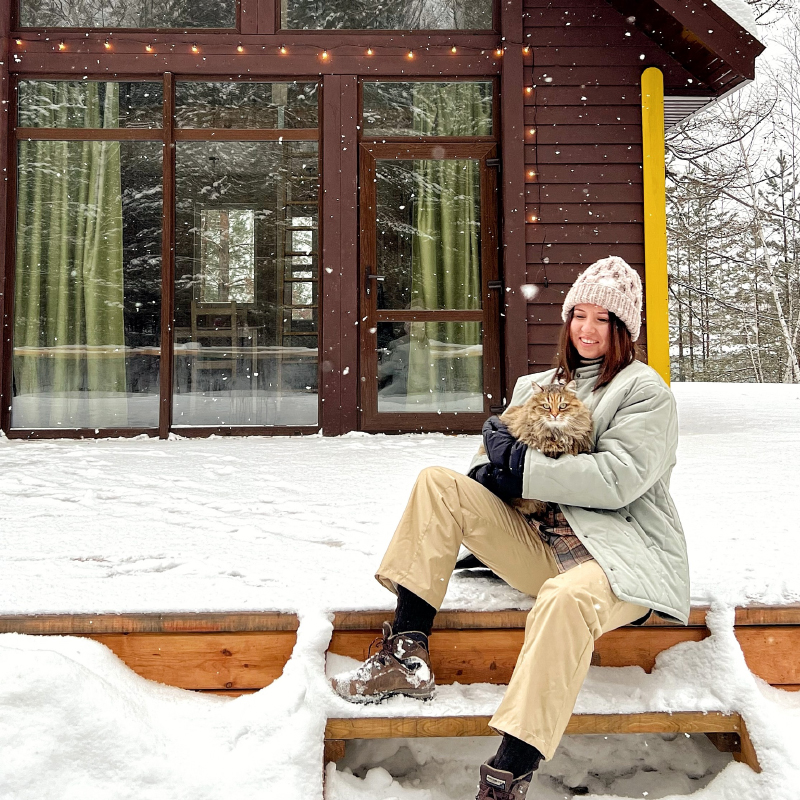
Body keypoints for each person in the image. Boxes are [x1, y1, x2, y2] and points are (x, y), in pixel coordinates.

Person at [331, 256, 689, 800]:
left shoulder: (644, 393)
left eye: (604, 320)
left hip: (615, 557)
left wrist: (522, 467)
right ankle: (407, 652)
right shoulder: (534, 385)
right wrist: (490, 472)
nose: (587, 330)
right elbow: (486, 460)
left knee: (565, 600)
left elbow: (619, 479)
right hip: (538, 542)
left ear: (625, 331)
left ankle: (508, 773)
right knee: (438, 484)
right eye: (579, 315)